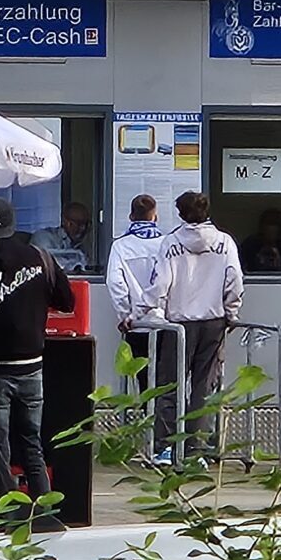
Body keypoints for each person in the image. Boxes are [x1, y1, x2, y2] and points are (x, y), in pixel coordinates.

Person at [0, 196, 77, 514]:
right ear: (13, 225)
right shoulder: (41, 257)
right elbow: (67, 301)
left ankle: (5, 514)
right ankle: (44, 511)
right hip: (31, 365)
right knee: (32, 442)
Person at [150, 191, 245, 460]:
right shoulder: (225, 242)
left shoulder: (170, 243)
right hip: (213, 323)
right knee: (204, 388)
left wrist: (153, 312)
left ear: (180, 214)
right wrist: (231, 313)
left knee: (169, 387)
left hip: (178, 324)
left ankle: (166, 448)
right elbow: (235, 281)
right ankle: (197, 450)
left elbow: (160, 284)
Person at [105, 194, 170, 456]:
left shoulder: (121, 246)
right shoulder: (167, 243)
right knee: (168, 383)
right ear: (156, 216)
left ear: (131, 216)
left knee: (143, 383)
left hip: (136, 326)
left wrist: (126, 315)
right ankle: (168, 442)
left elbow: (115, 284)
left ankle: (149, 441)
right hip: (167, 324)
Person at [237, 207, 281, 274]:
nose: (271, 228)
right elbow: (240, 270)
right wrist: (256, 262)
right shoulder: (248, 247)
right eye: (268, 223)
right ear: (261, 226)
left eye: (275, 223)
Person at [32, 201, 96, 271]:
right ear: (66, 222)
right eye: (79, 223)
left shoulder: (82, 246)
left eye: (87, 224)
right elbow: (49, 264)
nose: (83, 228)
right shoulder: (43, 237)